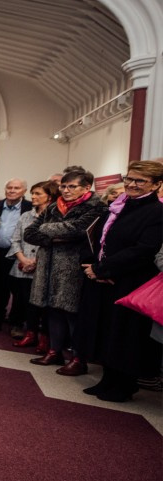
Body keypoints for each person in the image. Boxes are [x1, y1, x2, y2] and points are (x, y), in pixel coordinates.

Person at [75, 161, 162, 400]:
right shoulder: (118, 205)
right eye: (130, 178)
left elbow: (144, 249)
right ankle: (107, 380)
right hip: (103, 277)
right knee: (105, 330)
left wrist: (103, 269)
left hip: (129, 281)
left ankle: (124, 386)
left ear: (156, 184)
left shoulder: (157, 212)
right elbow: (96, 238)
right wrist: (92, 266)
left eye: (140, 180)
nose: (132, 184)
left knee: (125, 335)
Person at [24, 168, 107, 372]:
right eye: (63, 186)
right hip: (48, 265)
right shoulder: (53, 207)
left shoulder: (96, 206)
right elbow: (30, 233)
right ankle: (54, 351)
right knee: (53, 310)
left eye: (72, 186)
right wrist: (57, 235)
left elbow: (78, 230)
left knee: (72, 313)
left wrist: (48, 232)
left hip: (73, 268)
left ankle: (79, 358)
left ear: (86, 187)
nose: (66, 190)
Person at [8, 181, 60, 350]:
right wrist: (23, 259)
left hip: (44, 267)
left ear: (49, 196)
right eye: (33, 193)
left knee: (43, 304)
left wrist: (37, 262)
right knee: (26, 302)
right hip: (22, 266)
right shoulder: (25, 216)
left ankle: (44, 338)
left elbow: (53, 242)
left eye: (38, 193)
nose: (33, 197)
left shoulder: (56, 217)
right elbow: (15, 239)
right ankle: (30, 334)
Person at [0, 179, 32, 336]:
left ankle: (16, 323)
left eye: (16, 188)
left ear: (24, 191)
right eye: (9, 187)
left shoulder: (29, 208)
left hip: (19, 254)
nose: (12, 190)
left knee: (19, 291)